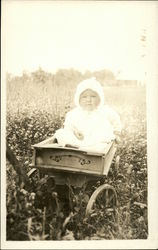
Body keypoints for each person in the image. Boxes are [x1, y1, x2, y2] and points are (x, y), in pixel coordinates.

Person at [54, 77, 122, 152]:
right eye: (84, 97)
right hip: (78, 140)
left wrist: (116, 133)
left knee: (102, 144)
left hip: (96, 140)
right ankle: (74, 147)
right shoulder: (74, 113)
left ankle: (85, 150)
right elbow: (69, 125)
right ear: (78, 99)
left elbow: (115, 120)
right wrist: (75, 132)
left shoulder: (104, 111)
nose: (88, 100)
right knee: (61, 134)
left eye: (93, 96)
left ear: (99, 98)